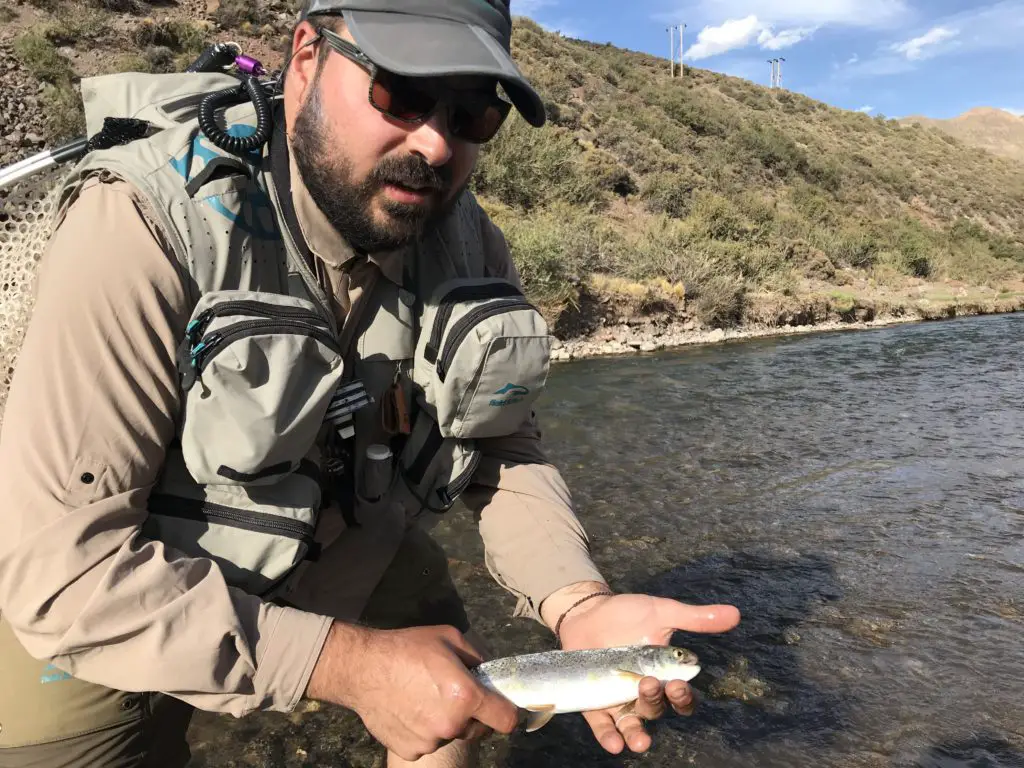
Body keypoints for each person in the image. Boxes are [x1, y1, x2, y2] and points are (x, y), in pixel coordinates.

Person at [0, 1, 741, 766]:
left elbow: (501, 448)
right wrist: (347, 665)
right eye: (403, 92)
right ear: (307, 58)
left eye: (473, 115)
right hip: (121, 578)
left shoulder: (468, 241)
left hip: (345, 530)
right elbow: (67, 573)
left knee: (450, 700)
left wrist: (579, 603)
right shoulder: (139, 222)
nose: (435, 142)